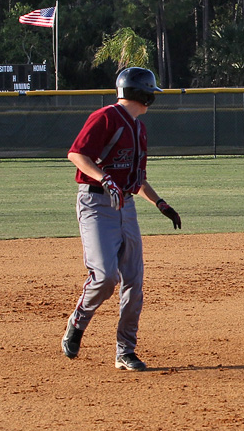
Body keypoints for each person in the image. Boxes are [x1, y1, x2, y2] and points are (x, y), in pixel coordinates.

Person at [62, 67, 182, 372]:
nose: (153, 96)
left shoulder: (139, 128)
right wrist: (105, 179)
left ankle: (125, 350)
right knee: (105, 277)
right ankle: (78, 321)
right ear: (140, 93)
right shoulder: (105, 117)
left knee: (134, 281)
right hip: (96, 204)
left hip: (126, 205)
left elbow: (137, 179)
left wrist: (160, 203)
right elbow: (77, 154)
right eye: (151, 91)